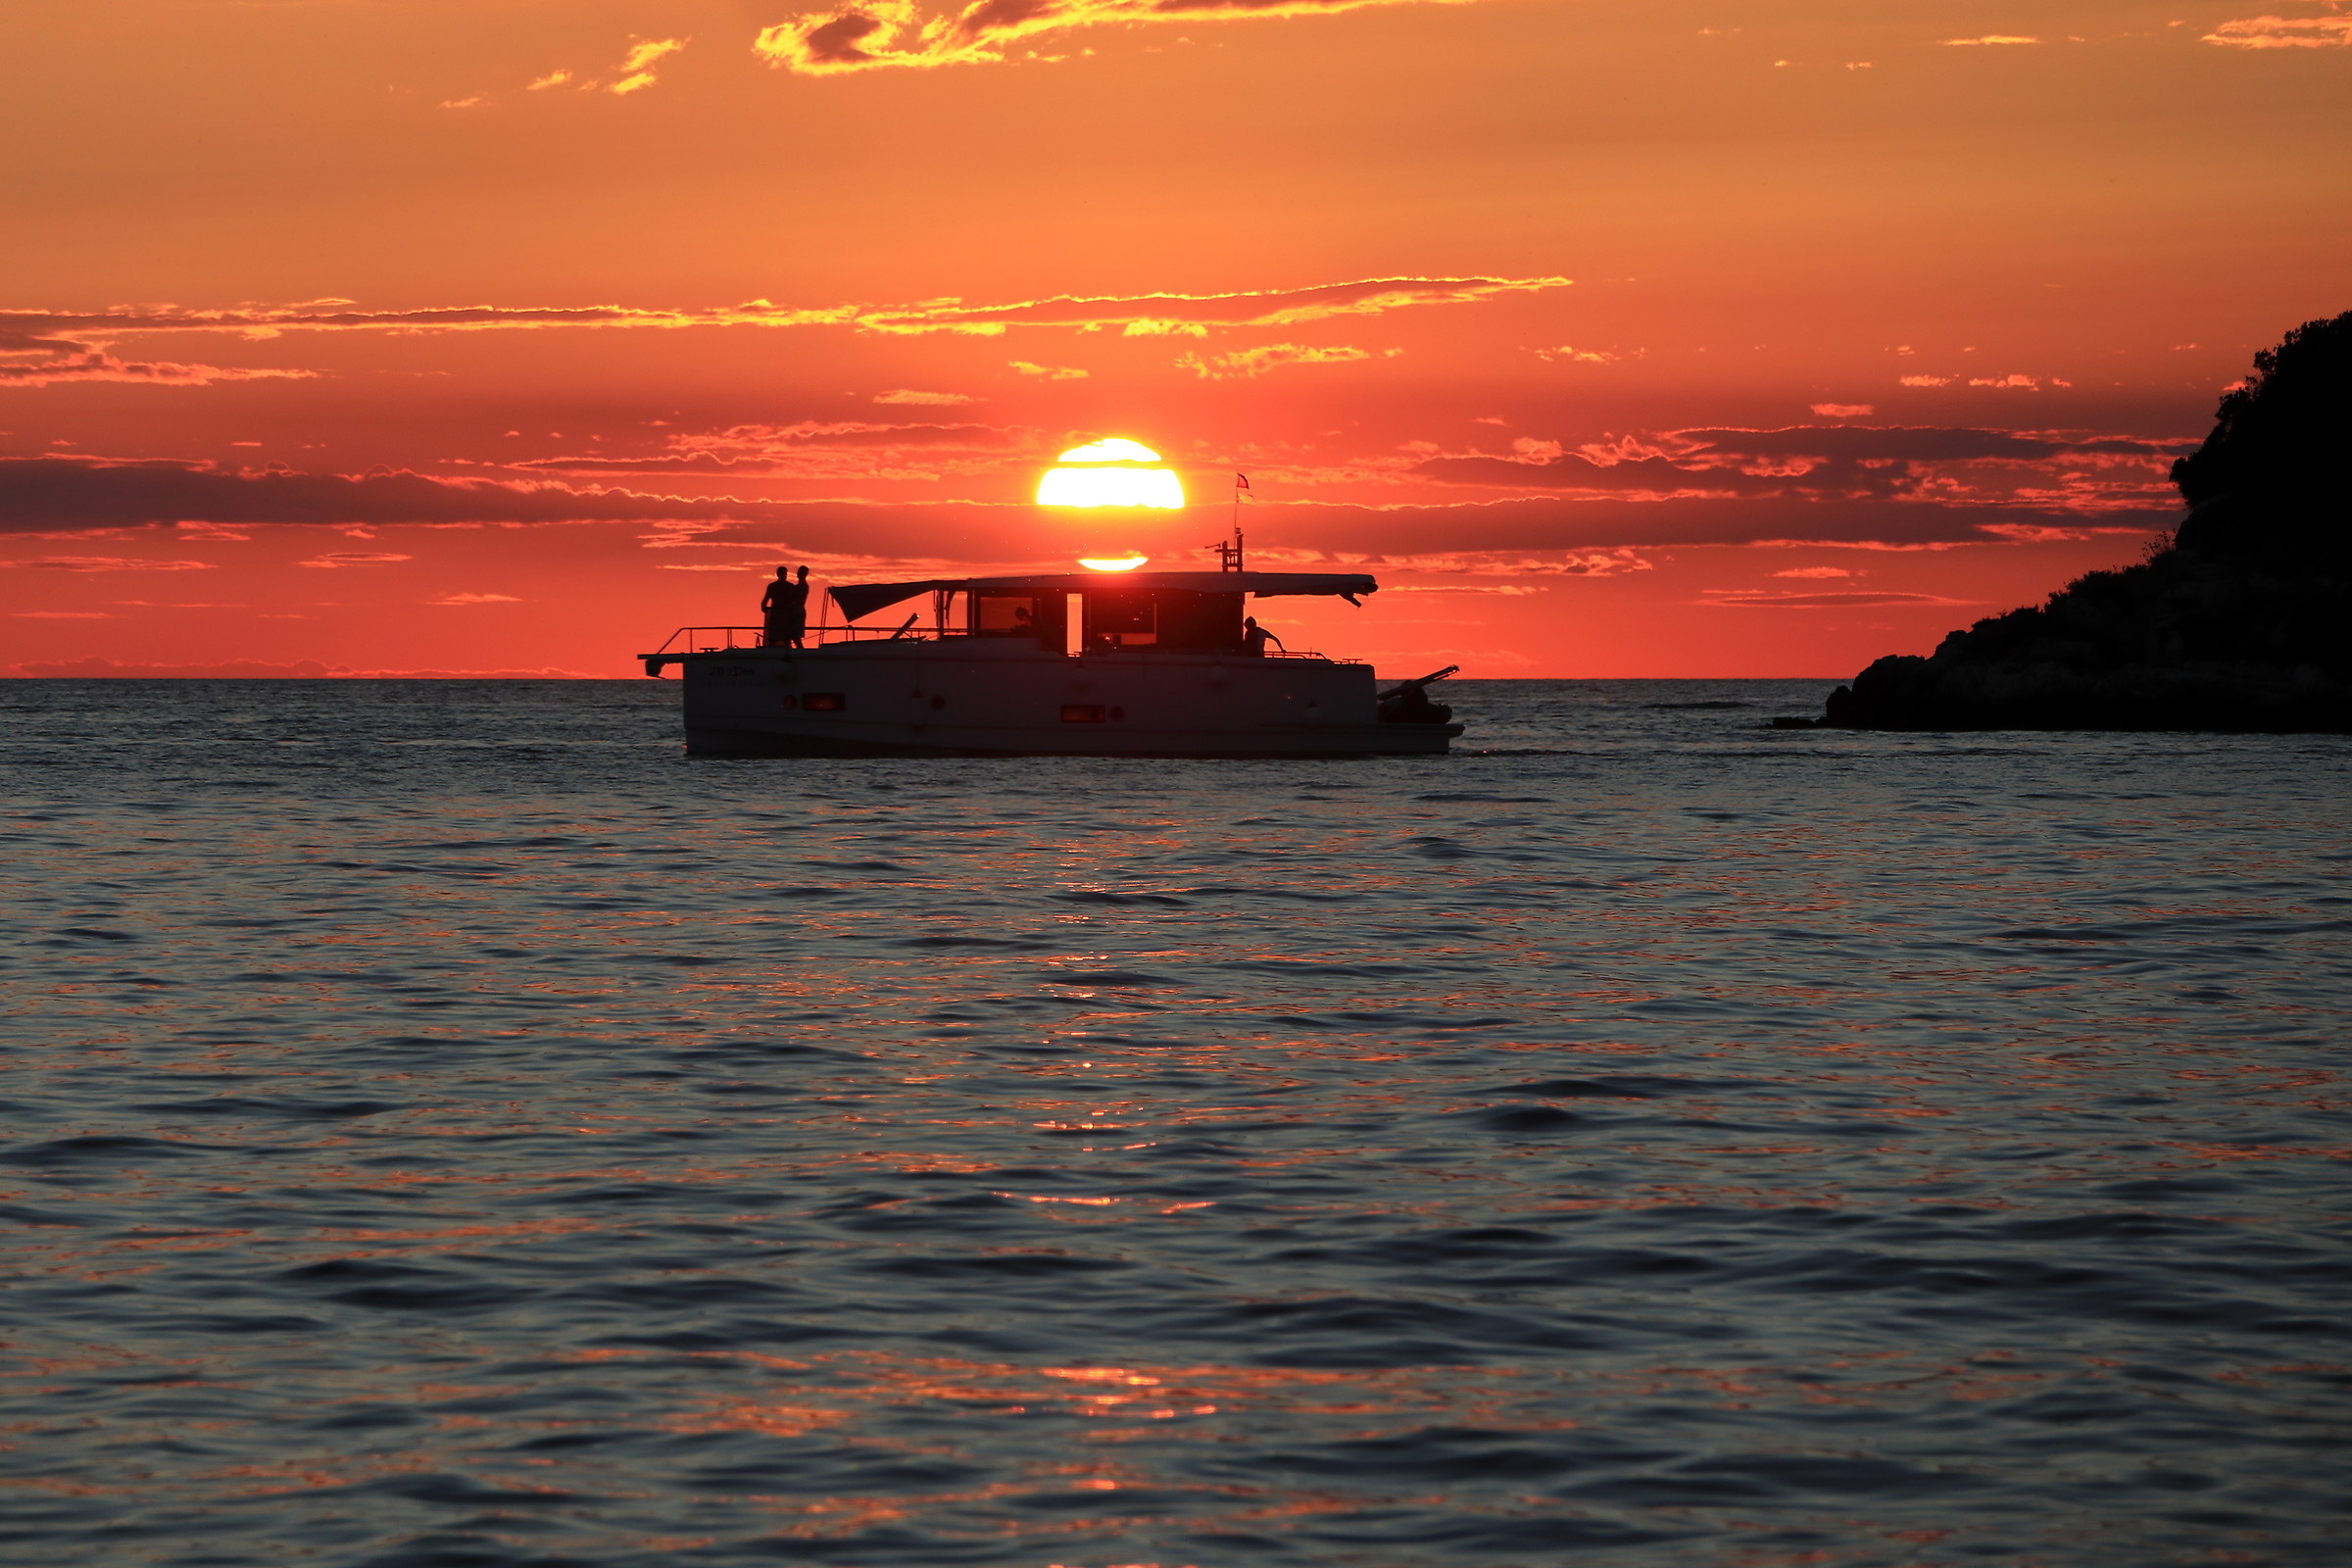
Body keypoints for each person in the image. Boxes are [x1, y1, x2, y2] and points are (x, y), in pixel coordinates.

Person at [761, 564, 810, 649]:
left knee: (792, 636)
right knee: (776, 635)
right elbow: (765, 600)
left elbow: (791, 599)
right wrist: (766, 608)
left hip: (790, 614)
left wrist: (779, 603)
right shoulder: (773, 586)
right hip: (779, 613)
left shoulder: (793, 587)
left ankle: (797, 652)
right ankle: (773, 652)